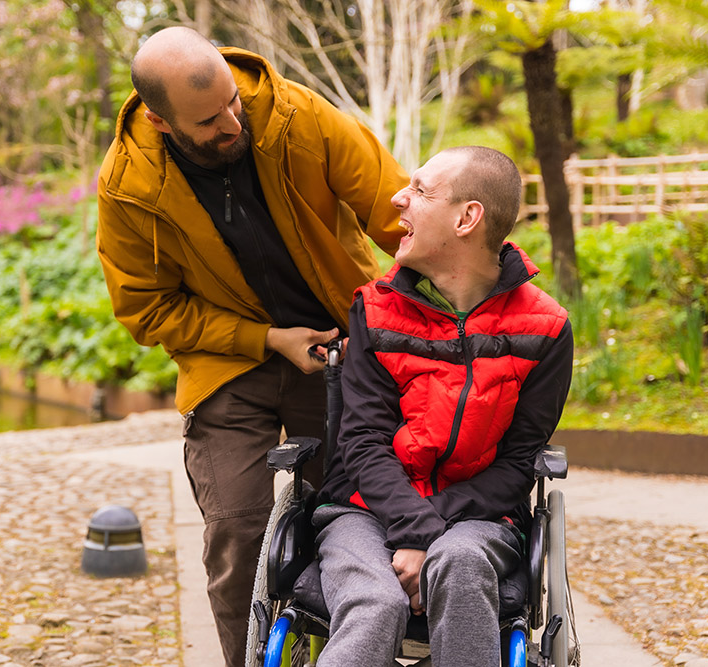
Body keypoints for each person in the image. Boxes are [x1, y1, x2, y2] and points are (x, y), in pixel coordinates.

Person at [95, 26, 408, 665]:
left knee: (345, 521)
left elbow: (398, 212)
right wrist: (264, 338)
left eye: (233, 103)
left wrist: (457, 292)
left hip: (339, 346)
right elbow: (147, 308)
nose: (232, 123)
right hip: (228, 365)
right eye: (208, 121)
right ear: (159, 120)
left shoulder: (297, 116)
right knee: (239, 533)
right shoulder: (127, 186)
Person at [314, 146, 574, 667]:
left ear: (467, 218)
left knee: (459, 562)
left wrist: (430, 531)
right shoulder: (375, 308)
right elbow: (362, 441)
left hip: (478, 517)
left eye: (420, 191)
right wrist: (416, 529)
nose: (398, 198)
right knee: (374, 601)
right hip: (362, 510)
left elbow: (520, 462)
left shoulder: (545, 329)